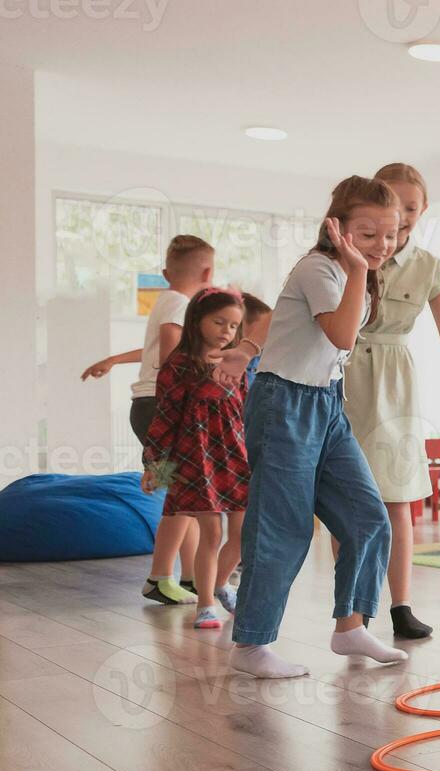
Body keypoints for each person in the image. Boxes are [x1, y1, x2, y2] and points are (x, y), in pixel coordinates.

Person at [214, 176, 408, 679]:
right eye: (368, 234)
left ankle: (350, 626)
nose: (381, 246)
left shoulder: (350, 271)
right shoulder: (320, 268)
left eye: (389, 235)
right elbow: (341, 334)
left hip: (327, 404)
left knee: (367, 517)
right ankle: (251, 644)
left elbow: (280, 318)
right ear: (336, 227)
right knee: (284, 527)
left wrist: (247, 348)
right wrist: (360, 268)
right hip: (285, 403)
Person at [341, 162, 440, 640]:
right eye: (392, 204)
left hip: (395, 382)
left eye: (410, 207)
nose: (403, 215)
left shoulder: (428, 265)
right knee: (349, 501)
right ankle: (352, 611)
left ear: (423, 208)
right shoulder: (350, 254)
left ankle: (401, 606)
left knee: (398, 494)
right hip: (347, 374)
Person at [82, 235, 213, 604]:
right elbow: (171, 350)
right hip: (163, 409)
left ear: (165, 272)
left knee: (182, 492)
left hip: (151, 406)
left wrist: (112, 359)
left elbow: (156, 347)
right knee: (184, 497)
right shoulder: (181, 305)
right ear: (208, 271)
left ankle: (187, 578)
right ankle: (159, 577)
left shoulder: (168, 301)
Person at [141, 288, 250, 631]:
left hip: (235, 458)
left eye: (233, 326)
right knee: (211, 532)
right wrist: (155, 466)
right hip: (198, 460)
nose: (226, 331)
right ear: (197, 320)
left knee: (246, 532)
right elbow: (164, 419)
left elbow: (246, 412)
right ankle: (206, 604)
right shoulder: (179, 365)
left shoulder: (236, 365)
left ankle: (219, 584)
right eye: (219, 322)